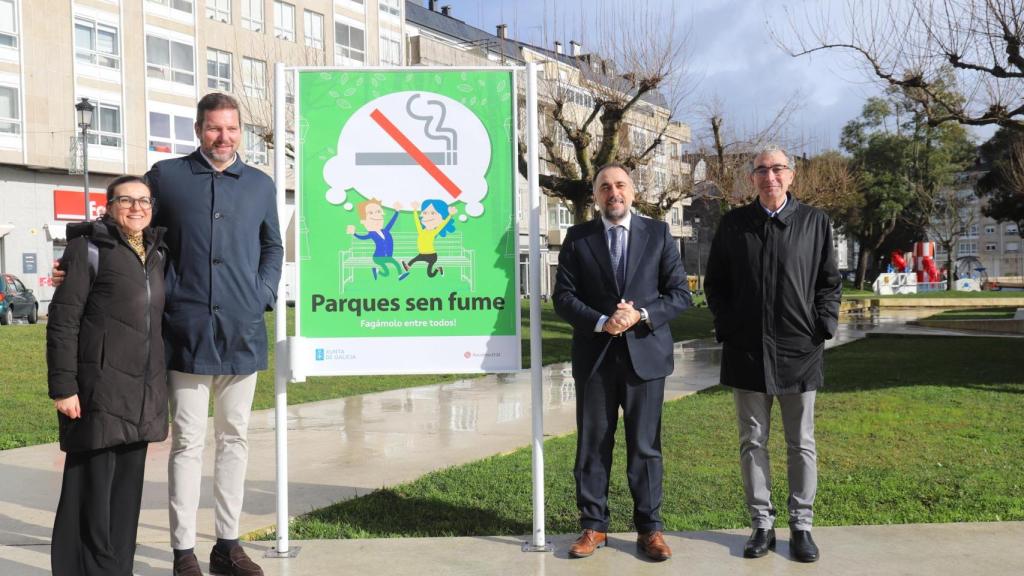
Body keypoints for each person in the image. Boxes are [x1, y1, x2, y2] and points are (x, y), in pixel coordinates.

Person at [153, 93, 282, 576]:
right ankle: (183, 551)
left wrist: (262, 293)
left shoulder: (260, 185)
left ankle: (227, 546)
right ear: (197, 130)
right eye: (213, 129)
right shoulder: (167, 178)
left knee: (235, 438)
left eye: (231, 129)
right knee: (187, 440)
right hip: (183, 330)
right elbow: (130, 228)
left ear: (240, 131)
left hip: (242, 329)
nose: (223, 138)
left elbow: (273, 245)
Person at [703, 145, 842, 563]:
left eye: (778, 168)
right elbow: (716, 285)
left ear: (791, 175)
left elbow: (829, 283)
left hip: (800, 351)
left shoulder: (815, 223)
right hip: (746, 352)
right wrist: (728, 326)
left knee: (801, 442)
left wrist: (821, 327)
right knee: (752, 441)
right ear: (752, 178)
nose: (770, 176)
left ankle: (802, 526)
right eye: (761, 170)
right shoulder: (734, 224)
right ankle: (761, 523)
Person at [553, 163, 691, 561]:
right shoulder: (578, 239)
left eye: (620, 185)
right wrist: (602, 322)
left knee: (645, 447)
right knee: (593, 445)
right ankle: (593, 526)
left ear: (632, 191)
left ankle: (650, 530)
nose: (613, 192)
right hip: (595, 358)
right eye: (604, 187)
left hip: (644, 359)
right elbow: (563, 296)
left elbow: (679, 294)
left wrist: (640, 314)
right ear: (595, 196)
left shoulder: (659, 234)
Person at [48, 176, 168, 575]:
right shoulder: (89, 248)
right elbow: (63, 322)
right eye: (126, 200)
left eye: (144, 200)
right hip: (97, 391)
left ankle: (119, 569)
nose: (137, 207)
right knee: (91, 493)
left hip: (141, 393)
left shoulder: (157, 251)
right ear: (109, 205)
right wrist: (63, 387)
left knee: (126, 496)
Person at [400, 198, 456, 280]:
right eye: (425, 214)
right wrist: (415, 210)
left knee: (430, 275)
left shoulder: (434, 231)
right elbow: (416, 221)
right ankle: (408, 267)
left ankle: (438, 269)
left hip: (431, 255)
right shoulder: (421, 231)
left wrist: (450, 215)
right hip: (422, 254)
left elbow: (443, 224)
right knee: (413, 260)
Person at [346, 199, 402, 281]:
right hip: (378, 257)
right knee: (392, 266)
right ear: (364, 222)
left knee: (388, 271)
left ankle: (378, 270)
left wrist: (397, 211)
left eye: (380, 215)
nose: (377, 219)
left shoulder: (385, 231)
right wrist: (354, 233)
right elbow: (362, 237)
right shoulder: (371, 234)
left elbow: (391, 222)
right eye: (371, 215)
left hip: (387, 256)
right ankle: (398, 274)